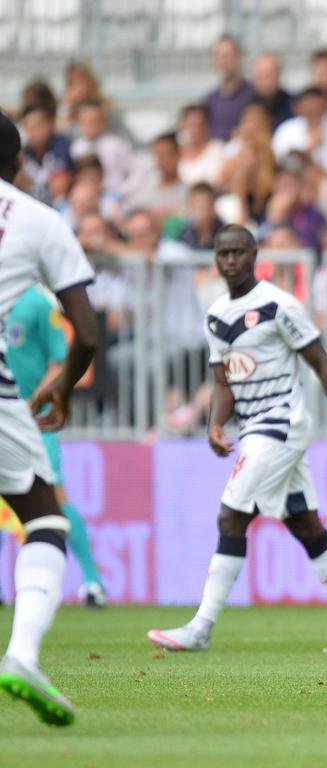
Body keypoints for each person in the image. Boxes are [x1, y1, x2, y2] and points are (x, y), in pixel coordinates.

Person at [147, 225, 327, 655]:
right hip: (252, 426)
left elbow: (323, 366)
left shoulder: (280, 306)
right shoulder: (216, 314)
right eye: (223, 254)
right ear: (215, 259)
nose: (231, 261)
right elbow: (223, 382)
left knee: (230, 518)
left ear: (254, 254)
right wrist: (215, 424)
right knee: (304, 523)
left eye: (239, 252)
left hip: (280, 423)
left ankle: (201, 628)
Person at [0, 110, 99, 726]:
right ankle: (22, 656)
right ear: (19, 164)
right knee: (44, 519)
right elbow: (86, 331)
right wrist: (62, 384)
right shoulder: (37, 219)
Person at [4, 285, 109, 608]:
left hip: (33, 418)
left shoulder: (36, 301)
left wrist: (37, 400)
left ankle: (93, 582)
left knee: (54, 498)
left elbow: (60, 358)